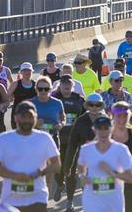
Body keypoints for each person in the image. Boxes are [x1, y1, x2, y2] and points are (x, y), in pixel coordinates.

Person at [0, 101, 61, 212]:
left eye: (30, 116)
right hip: (10, 201)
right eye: (23, 116)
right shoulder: (3, 139)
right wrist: (15, 176)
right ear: (16, 118)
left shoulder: (44, 138)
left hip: (37, 199)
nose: (27, 120)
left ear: (36, 118)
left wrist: (39, 173)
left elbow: (56, 164)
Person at [77, 115, 132, 212]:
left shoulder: (121, 149)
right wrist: (82, 176)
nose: (103, 132)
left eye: (106, 128)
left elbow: (131, 178)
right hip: (92, 200)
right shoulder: (86, 149)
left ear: (112, 129)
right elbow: (81, 166)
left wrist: (112, 172)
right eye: (99, 128)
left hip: (113, 202)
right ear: (94, 130)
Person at [63, 92, 106, 210]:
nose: (94, 108)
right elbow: (72, 144)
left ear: (101, 106)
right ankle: (81, 204)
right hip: (84, 161)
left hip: (102, 162)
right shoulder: (80, 121)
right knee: (88, 190)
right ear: (87, 106)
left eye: (97, 105)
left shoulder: (106, 120)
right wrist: (68, 166)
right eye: (91, 105)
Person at [51, 74, 85, 202]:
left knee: (70, 171)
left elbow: (86, 117)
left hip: (74, 141)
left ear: (72, 85)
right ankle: (60, 185)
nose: (66, 85)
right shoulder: (54, 98)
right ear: (60, 85)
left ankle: (69, 201)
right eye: (63, 83)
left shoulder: (79, 99)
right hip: (58, 139)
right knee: (58, 170)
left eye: (68, 83)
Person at [6, 62, 37, 129]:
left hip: (32, 115)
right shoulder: (15, 84)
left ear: (32, 71)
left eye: (29, 70)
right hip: (17, 115)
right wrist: (6, 103)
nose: (27, 72)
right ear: (21, 72)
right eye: (24, 70)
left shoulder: (36, 84)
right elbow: (6, 97)